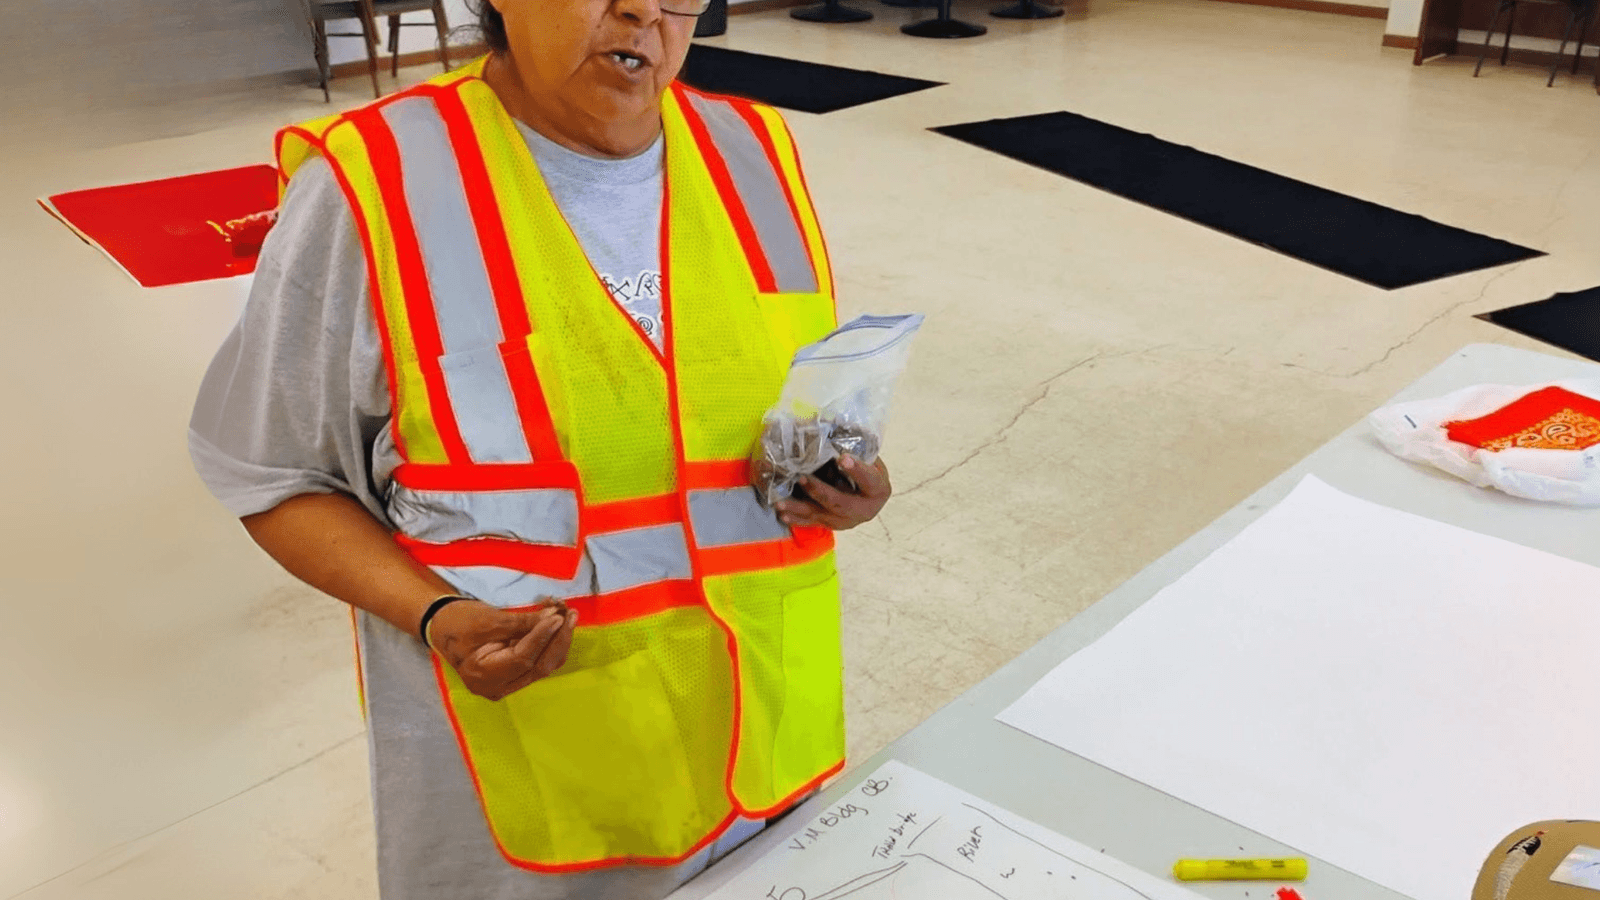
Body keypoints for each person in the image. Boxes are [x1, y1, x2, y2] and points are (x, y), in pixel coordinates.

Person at [186, 0, 893, 894]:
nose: (642, 10)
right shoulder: (381, 185)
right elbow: (272, 473)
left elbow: (776, 409)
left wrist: (845, 480)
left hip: (761, 762)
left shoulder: (753, 152)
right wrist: (435, 615)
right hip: (534, 792)